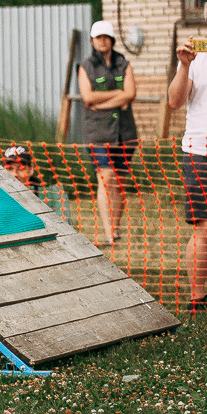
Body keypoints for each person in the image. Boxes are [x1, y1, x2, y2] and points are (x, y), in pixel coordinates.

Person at [167, 0, 207, 313]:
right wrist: (183, 64)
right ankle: (197, 298)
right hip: (200, 151)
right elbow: (174, 102)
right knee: (205, 227)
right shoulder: (196, 58)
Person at [77, 20, 137, 246]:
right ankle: (108, 231)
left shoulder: (124, 63)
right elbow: (88, 97)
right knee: (106, 178)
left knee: (120, 181)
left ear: (112, 39)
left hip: (124, 132)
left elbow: (130, 92)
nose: (102, 40)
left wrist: (103, 103)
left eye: (106, 36)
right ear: (92, 41)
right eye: (97, 37)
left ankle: (116, 227)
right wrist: (117, 96)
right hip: (98, 134)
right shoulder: (85, 66)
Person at [1, 143, 66, 219]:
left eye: (21, 168)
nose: (15, 174)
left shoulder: (50, 195)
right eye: (10, 169)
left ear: (31, 169)